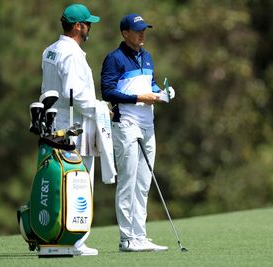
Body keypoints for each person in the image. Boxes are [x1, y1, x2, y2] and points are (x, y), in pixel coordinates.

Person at [100, 13, 175, 252]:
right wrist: (138, 98)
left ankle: (140, 236)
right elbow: (108, 92)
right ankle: (126, 239)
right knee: (128, 181)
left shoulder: (147, 56)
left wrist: (163, 92)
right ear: (125, 33)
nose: (143, 34)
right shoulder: (114, 58)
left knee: (143, 183)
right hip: (126, 125)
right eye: (138, 30)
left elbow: (150, 85)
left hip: (147, 125)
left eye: (145, 30)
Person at [40, 3, 101, 256]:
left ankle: (55, 236)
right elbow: (74, 94)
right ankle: (75, 241)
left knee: (57, 181)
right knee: (78, 181)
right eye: (88, 24)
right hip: (73, 126)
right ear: (78, 26)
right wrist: (100, 108)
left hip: (53, 122)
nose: (90, 28)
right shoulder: (73, 54)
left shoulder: (50, 50)